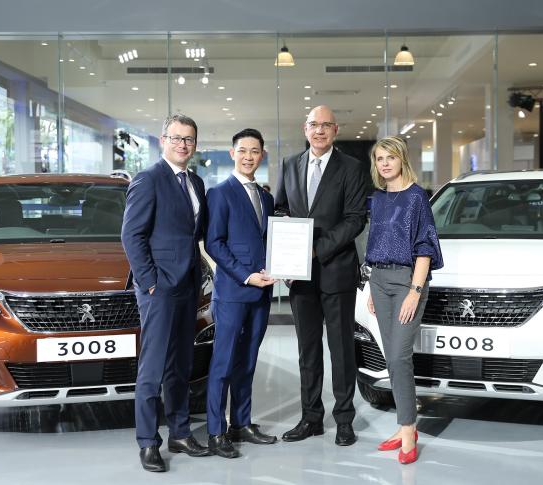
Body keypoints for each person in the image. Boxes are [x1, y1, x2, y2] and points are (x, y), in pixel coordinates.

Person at [121, 114, 211, 473]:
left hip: (188, 284)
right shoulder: (148, 179)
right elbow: (132, 235)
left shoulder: (196, 182)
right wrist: (150, 282)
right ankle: (147, 441)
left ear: (195, 144)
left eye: (189, 139)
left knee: (180, 364)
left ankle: (180, 432)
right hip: (159, 288)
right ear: (163, 141)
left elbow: (195, 234)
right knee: (153, 366)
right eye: (176, 138)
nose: (183, 145)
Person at [275, 105, 368, 446]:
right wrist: (287, 250)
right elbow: (281, 209)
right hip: (300, 278)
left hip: (337, 271)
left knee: (341, 350)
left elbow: (355, 219)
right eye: (314, 124)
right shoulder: (290, 165)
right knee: (308, 350)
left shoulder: (352, 168)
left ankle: (344, 420)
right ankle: (311, 418)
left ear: (335, 130)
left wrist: (314, 250)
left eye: (326, 125)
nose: (319, 130)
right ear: (305, 129)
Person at [364, 136, 443, 464]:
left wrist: (415, 290)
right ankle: (403, 425)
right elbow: (375, 242)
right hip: (379, 280)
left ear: (402, 160)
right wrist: (371, 287)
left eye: (390, 157)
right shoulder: (378, 198)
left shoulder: (416, 197)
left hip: (407, 281)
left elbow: (425, 246)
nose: (384, 164)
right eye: (379, 158)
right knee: (391, 358)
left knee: (399, 357)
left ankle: (409, 430)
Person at [204, 128, 277, 458]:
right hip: (234, 292)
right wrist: (246, 276)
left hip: (262, 294)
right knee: (223, 363)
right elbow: (214, 243)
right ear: (233, 154)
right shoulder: (220, 193)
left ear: (262, 155)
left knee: (247, 361)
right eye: (243, 150)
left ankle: (241, 423)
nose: (249, 156)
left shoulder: (266, 198)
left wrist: (282, 269)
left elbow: (269, 243)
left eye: (255, 151)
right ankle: (216, 431)